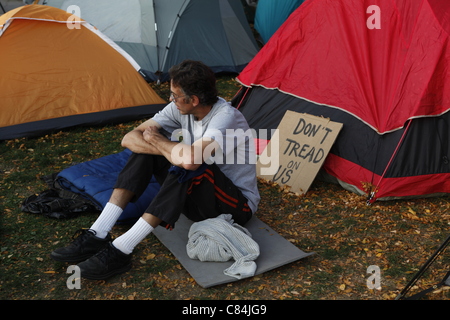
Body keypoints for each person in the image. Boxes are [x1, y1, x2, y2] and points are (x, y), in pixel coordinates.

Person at [50, 60, 260, 280]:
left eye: (174, 95)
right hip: (200, 201)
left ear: (194, 100)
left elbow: (190, 162)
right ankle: (98, 232)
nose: (171, 100)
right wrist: (164, 148)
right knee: (150, 151)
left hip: (235, 207)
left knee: (190, 165)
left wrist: (163, 145)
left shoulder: (225, 118)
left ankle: (121, 249)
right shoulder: (179, 107)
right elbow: (129, 138)